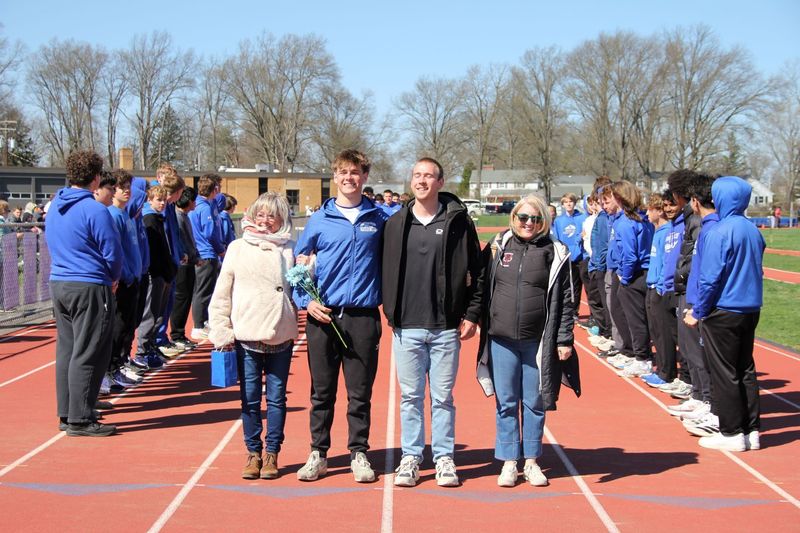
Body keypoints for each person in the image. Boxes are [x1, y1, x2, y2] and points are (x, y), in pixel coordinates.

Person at [382, 157, 482, 488]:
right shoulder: (396, 223)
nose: (421, 180)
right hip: (406, 326)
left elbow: (478, 272)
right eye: (417, 175)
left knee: (442, 398)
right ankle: (411, 457)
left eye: (429, 176)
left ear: (440, 182)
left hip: (444, 327)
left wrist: (471, 314)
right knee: (410, 397)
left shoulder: (458, 222)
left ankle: (444, 458)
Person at [293, 149, 388, 483]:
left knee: (360, 393)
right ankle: (318, 453)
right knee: (322, 392)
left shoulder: (380, 219)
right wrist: (306, 301)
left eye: (356, 172)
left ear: (364, 177)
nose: (350, 178)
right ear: (335, 176)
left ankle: (358, 453)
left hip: (363, 317)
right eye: (343, 171)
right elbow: (298, 265)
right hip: (324, 317)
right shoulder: (319, 220)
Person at [476, 194, 578, 488]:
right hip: (501, 339)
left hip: (537, 342)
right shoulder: (499, 245)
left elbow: (566, 301)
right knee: (506, 401)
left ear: (543, 221)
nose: (528, 223)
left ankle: (531, 460)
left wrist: (564, 338)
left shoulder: (555, 251)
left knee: (534, 402)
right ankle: (509, 461)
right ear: (514, 218)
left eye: (535, 218)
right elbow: (481, 283)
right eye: (523, 218)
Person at [209, 192, 299, 479]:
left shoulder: (291, 249)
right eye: (260, 214)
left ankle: (272, 452)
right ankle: (253, 453)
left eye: (272, 216)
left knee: (276, 398)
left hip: (280, 334)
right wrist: (222, 331)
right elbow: (222, 293)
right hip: (247, 334)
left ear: (282, 219)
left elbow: (301, 289)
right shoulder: (237, 248)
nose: (265, 221)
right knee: (249, 399)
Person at [685, 176, 764, 452]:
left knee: (724, 372)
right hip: (750, 307)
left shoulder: (720, 231)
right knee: (745, 369)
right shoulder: (753, 230)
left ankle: (731, 432)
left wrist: (699, 310)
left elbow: (710, 278)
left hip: (724, 308)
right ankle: (751, 429)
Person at [46, 150, 122, 437]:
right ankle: (80, 418)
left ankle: (68, 411)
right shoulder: (94, 209)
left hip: (60, 282)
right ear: (96, 178)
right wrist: (113, 278)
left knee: (67, 349)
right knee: (90, 350)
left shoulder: (56, 205)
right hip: (89, 284)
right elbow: (112, 252)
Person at [608, 181, 653, 378]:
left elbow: (630, 255)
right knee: (640, 319)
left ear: (619, 198)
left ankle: (642, 359)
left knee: (635, 320)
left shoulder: (626, 223)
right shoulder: (641, 219)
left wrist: (624, 277)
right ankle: (641, 356)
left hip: (634, 275)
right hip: (643, 273)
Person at [105, 169, 144, 389]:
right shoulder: (112, 215)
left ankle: (119, 365)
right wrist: (127, 275)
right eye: (122, 188)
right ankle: (111, 369)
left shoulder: (127, 216)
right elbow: (117, 250)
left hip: (134, 279)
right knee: (118, 327)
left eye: (129, 187)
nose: (127, 191)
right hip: (124, 281)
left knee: (129, 326)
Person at [134, 185, 177, 368]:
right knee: (150, 313)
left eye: (164, 201)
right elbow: (153, 252)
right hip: (156, 274)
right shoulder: (149, 220)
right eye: (158, 200)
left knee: (159, 314)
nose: (162, 204)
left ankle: (150, 346)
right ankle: (142, 350)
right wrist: (161, 271)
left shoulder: (160, 219)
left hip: (164, 273)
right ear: (149, 201)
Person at [189, 174, 225, 339]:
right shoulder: (203, 207)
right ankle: (198, 324)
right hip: (206, 253)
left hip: (206, 252)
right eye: (217, 188)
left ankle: (203, 321)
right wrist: (219, 249)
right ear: (213, 189)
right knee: (203, 291)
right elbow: (209, 232)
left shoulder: (206, 205)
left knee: (206, 289)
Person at [169, 187, 199, 350]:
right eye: (194, 200)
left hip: (190, 261)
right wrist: (192, 257)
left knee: (186, 298)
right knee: (181, 298)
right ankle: (177, 334)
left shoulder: (185, 217)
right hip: (183, 264)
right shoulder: (178, 217)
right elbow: (184, 242)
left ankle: (179, 333)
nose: (195, 204)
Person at [552, 193, 587, 320]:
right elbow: (556, 239)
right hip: (565, 257)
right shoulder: (558, 221)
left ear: (574, 203)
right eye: (566, 202)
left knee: (577, 286)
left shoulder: (582, 218)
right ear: (562, 204)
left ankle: (574, 311)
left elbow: (585, 235)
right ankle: (565, 309)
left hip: (579, 257)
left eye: (571, 201)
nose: (568, 204)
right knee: (566, 285)